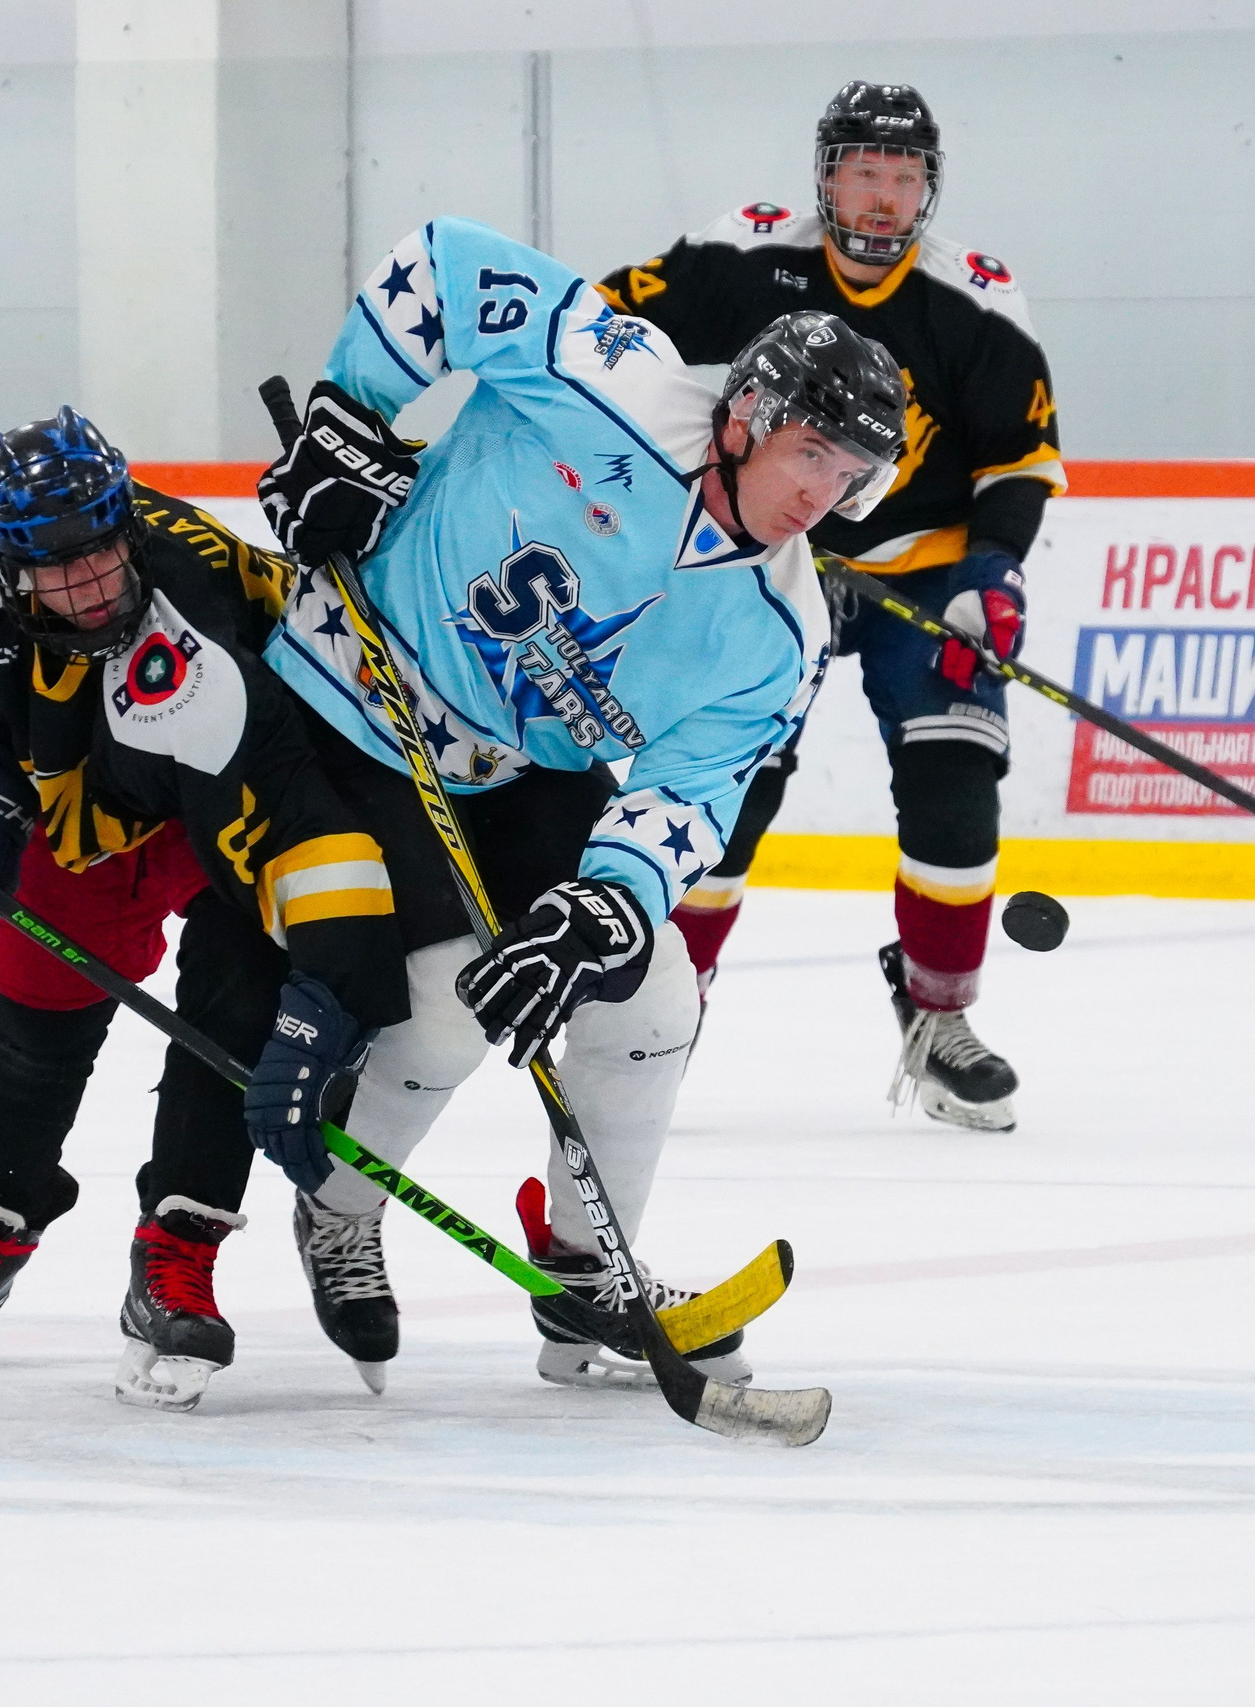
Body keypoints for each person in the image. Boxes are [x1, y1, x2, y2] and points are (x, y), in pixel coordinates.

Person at [255, 215, 905, 1386]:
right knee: (445, 1012)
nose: (823, 492)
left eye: (849, 473)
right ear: (747, 417)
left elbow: (694, 788)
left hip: (515, 769)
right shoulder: (616, 382)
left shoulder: (780, 631)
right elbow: (441, 263)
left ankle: (583, 1271)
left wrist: (609, 902)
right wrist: (353, 418)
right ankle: (338, 1209)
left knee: (651, 990)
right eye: (811, 453)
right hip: (346, 700)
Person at [0, 408, 409, 1411]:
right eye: (55, 569)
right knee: (35, 970)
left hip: (237, 776)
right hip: (103, 791)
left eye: (103, 554)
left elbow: (297, 817)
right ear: (3, 563)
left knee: (243, 985)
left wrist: (332, 987)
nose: (91, 587)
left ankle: (178, 1249)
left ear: (129, 528)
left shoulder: (194, 618)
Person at [597, 81, 1065, 1132]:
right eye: (863, 172)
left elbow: (1019, 459)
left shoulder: (976, 299)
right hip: (770, 556)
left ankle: (938, 1015)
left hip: (920, 569)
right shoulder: (747, 255)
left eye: (902, 176)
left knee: (955, 777)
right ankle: (665, 1006)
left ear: (928, 189)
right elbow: (603, 328)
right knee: (724, 786)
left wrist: (993, 572)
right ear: (825, 178)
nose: (883, 197)